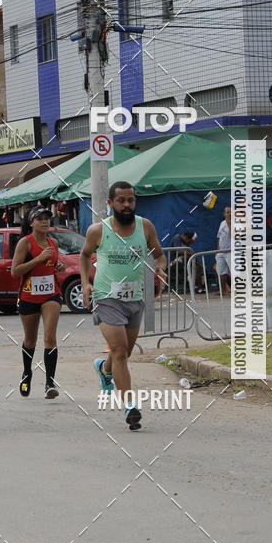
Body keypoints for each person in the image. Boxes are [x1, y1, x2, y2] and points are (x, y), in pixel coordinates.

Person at [79, 182, 167, 431]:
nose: (127, 205)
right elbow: (85, 255)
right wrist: (86, 283)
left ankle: (103, 368)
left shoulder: (145, 226)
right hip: (107, 298)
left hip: (134, 298)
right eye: (121, 200)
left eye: (131, 200)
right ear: (110, 203)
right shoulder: (98, 230)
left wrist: (160, 267)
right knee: (118, 350)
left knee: (124, 352)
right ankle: (130, 405)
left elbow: (159, 253)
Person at [11, 206, 66, 399]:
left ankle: (50, 383)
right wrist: (39, 258)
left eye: (47, 219)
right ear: (31, 222)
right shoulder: (25, 243)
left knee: (50, 337)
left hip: (51, 294)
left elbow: (52, 265)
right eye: (40, 218)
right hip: (28, 295)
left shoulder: (54, 243)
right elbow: (15, 271)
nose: (44, 222)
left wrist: (58, 265)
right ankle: (27, 373)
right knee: (30, 339)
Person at [215, 207, 232, 295]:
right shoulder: (222, 223)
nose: (229, 214)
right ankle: (223, 290)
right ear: (224, 214)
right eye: (227, 212)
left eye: (230, 212)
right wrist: (218, 251)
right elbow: (219, 237)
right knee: (221, 272)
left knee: (234, 271)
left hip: (231, 251)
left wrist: (229, 223)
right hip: (221, 251)